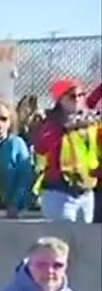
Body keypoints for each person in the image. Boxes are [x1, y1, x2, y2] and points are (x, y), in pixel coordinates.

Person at [34, 79, 99, 223]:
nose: (77, 99)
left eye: (81, 95)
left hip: (85, 191)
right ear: (60, 100)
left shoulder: (85, 116)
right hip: (60, 192)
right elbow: (41, 147)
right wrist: (64, 129)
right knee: (63, 239)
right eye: (71, 96)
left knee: (84, 240)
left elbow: (94, 97)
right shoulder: (52, 122)